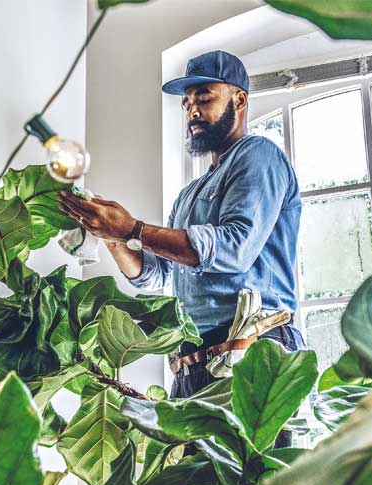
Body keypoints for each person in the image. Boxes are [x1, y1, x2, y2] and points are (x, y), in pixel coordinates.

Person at [58, 51, 305, 444]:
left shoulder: (259, 156)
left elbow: (234, 247)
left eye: (204, 98)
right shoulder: (189, 194)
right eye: (187, 103)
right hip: (193, 367)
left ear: (238, 100)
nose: (192, 110)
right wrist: (110, 233)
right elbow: (155, 275)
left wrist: (133, 227)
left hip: (255, 355)